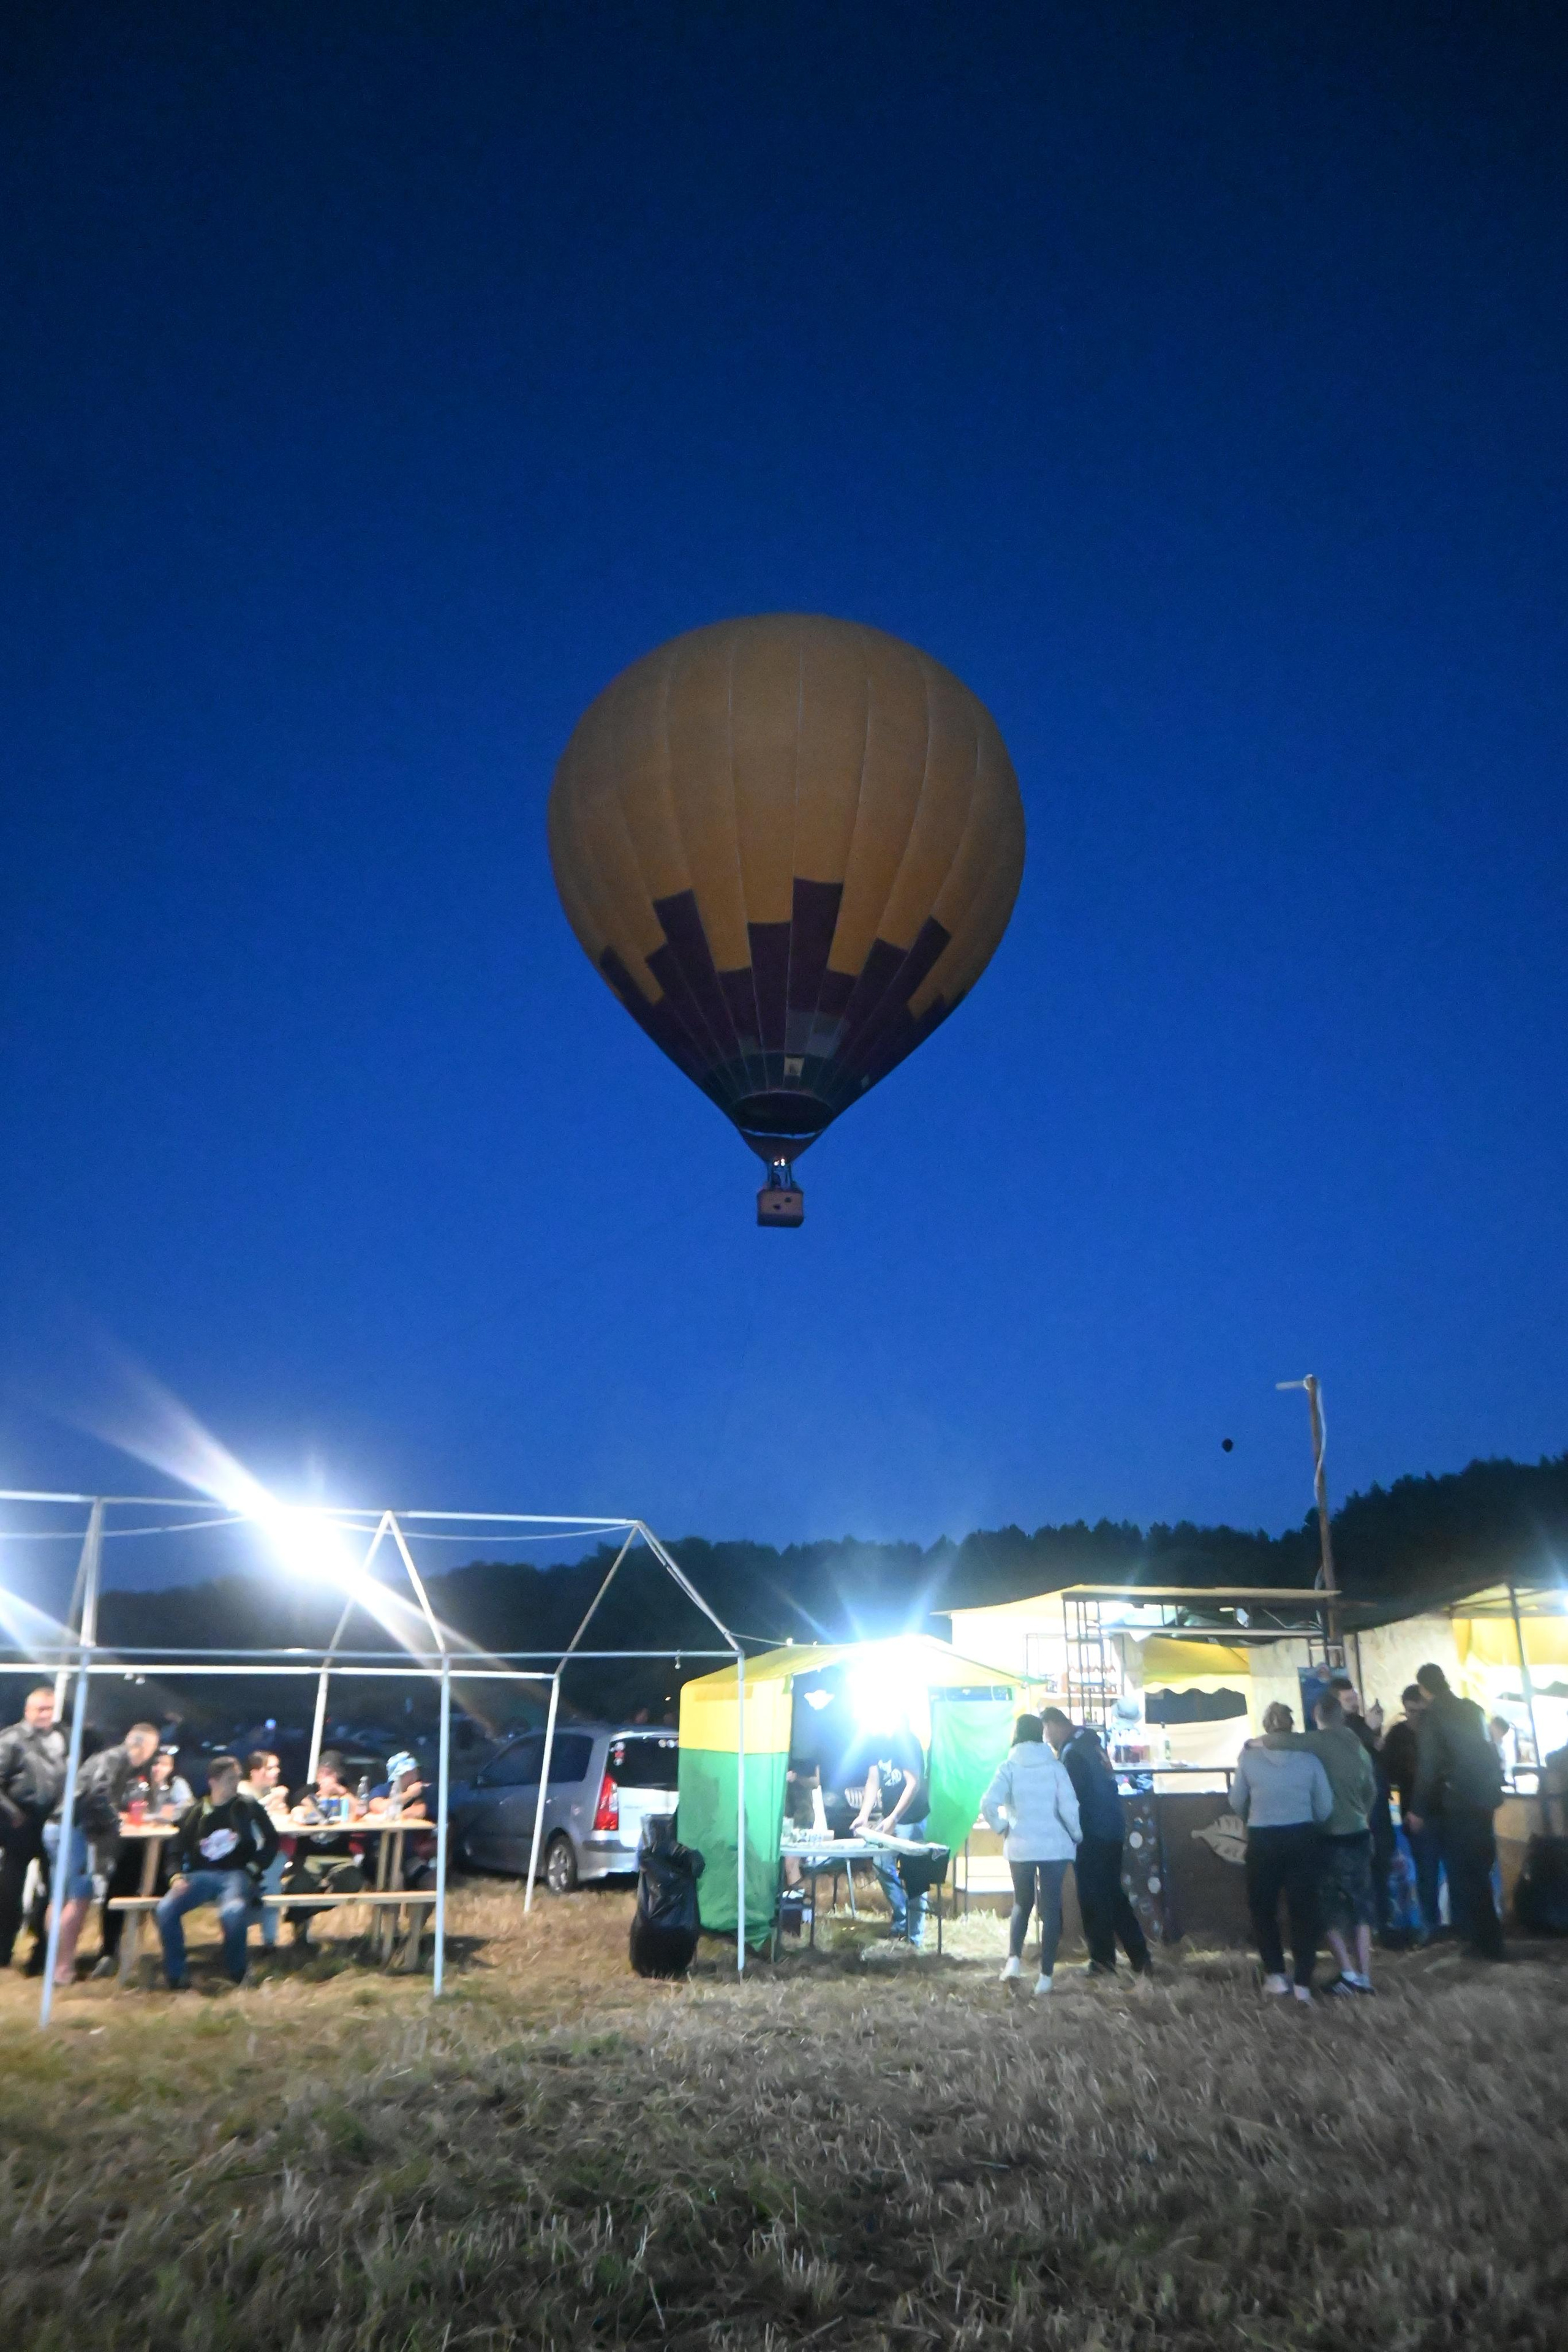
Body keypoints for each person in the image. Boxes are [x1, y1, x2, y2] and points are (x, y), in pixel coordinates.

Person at [1230, 1701, 1333, 2005]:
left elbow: (1236, 1802)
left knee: (1264, 1908)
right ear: (1292, 1727)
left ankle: (1276, 1974)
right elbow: (1325, 1808)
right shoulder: (1310, 1760)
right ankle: (1303, 1980)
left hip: (1263, 1838)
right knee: (1304, 1911)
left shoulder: (1249, 1759)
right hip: (1302, 1837)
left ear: (1266, 1726)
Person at [1041, 1706, 1150, 1979]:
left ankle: (1103, 1962)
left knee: (1094, 1898)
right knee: (1113, 1895)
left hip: (1092, 1832)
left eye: (1046, 1731)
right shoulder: (1091, 1746)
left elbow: (1072, 1798)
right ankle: (1140, 1957)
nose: (1047, 1739)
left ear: (1053, 1724)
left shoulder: (1073, 1753)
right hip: (1112, 1827)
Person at [49, 1721, 161, 1986]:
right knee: (79, 1899)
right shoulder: (114, 1759)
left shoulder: (110, 1759)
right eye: (152, 1749)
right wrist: (117, 1823)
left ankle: (54, 1961)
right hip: (73, 1830)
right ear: (143, 1745)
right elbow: (97, 1794)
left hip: (59, 1827)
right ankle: (63, 1969)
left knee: (61, 1898)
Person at [1407, 1662, 1505, 1960]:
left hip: (1459, 1802)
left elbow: (1429, 1768)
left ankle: (1483, 1944)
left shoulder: (1433, 1717)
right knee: (1481, 1870)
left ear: (1424, 1690)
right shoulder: (1472, 1708)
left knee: (1465, 1874)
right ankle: (1488, 1938)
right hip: (1484, 1801)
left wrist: (1418, 1808)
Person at [155, 1754, 280, 1988]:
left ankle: (237, 1973)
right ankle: (176, 1974)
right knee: (165, 1909)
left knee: (232, 1912)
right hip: (199, 1876)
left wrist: (254, 1867)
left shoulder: (247, 1806)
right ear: (213, 1781)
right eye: (230, 1779)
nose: (236, 1784)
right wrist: (175, 1877)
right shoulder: (195, 1811)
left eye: (237, 1778)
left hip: (236, 1875)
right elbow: (175, 1849)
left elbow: (272, 1840)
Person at [981, 1712, 1082, 1995]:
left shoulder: (1008, 1767)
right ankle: (1046, 1977)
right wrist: (1076, 1834)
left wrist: (1003, 1826)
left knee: (1022, 1904)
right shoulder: (1055, 1767)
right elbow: (1069, 1807)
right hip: (1054, 1847)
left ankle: (1013, 1961)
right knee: (1051, 1910)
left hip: (1021, 1845)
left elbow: (988, 1803)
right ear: (1041, 1734)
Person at [1301, 1691, 1380, 1994]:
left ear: (1317, 1715)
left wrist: (1256, 1743)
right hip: (1359, 1833)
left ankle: (1348, 1972)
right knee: (1361, 1906)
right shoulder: (1357, 1745)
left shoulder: (1318, 1742)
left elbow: (1285, 1741)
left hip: (1329, 1836)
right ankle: (1365, 1976)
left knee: (1328, 1907)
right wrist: (1362, 1815)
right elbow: (1371, 1790)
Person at [0, 1687, 67, 1972]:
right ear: (28, 1711)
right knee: (8, 1892)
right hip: (19, 1825)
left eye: (50, 1708)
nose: (46, 1714)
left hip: (51, 1823)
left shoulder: (61, 1736)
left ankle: (40, 1955)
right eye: (41, 1709)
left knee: (51, 1892)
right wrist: (13, 1812)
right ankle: (3, 1950)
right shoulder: (12, 1738)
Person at [850, 1721, 931, 1948]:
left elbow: (913, 1784)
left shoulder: (905, 1740)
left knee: (915, 1876)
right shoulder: (875, 1743)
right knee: (881, 1863)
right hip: (890, 1817)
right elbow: (873, 1780)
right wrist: (864, 1815)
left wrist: (895, 1818)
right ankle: (902, 1917)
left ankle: (914, 1938)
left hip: (912, 1816)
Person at [1330, 1676, 1395, 1942]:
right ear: (1336, 1703)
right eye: (1348, 1699)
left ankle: (1381, 1926)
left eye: (1355, 1697)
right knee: (1359, 1872)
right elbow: (1351, 1756)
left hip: (1376, 1806)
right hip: (1356, 1812)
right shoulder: (1336, 1730)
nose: (1354, 1702)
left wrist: (1376, 1734)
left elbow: (1374, 1758)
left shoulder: (1359, 1725)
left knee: (1381, 1866)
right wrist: (1370, 1731)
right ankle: (1363, 1930)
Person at [283, 1749, 367, 1945]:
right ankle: (300, 1931)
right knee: (301, 1883)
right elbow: (299, 1805)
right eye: (322, 1772)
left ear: (339, 1775)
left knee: (352, 1880)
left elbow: (360, 1811)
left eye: (330, 1773)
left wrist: (342, 1793)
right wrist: (322, 1795)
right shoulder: (308, 1790)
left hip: (340, 1855)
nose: (325, 1777)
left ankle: (308, 1911)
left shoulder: (349, 1791)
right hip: (309, 1855)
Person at [1382, 1684, 1442, 1937]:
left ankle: (1450, 1927)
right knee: (1426, 1874)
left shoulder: (1438, 1732)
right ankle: (1431, 1927)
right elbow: (1389, 1776)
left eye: (1420, 1712)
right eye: (1411, 1712)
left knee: (1452, 1875)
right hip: (1415, 1813)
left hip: (1442, 1810)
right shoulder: (1397, 1736)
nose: (1415, 1717)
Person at [238, 1751, 292, 1948]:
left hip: (268, 1853)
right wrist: (271, 1801)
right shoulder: (242, 1791)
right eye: (270, 1768)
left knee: (272, 1879)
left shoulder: (270, 1791)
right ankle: (266, 1941)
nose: (276, 1772)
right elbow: (248, 1814)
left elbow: (279, 1817)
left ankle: (266, 1941)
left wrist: (279, 1805)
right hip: (245, 1855)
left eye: (277, 1767)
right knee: (272, 1884)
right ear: (255, 1772)